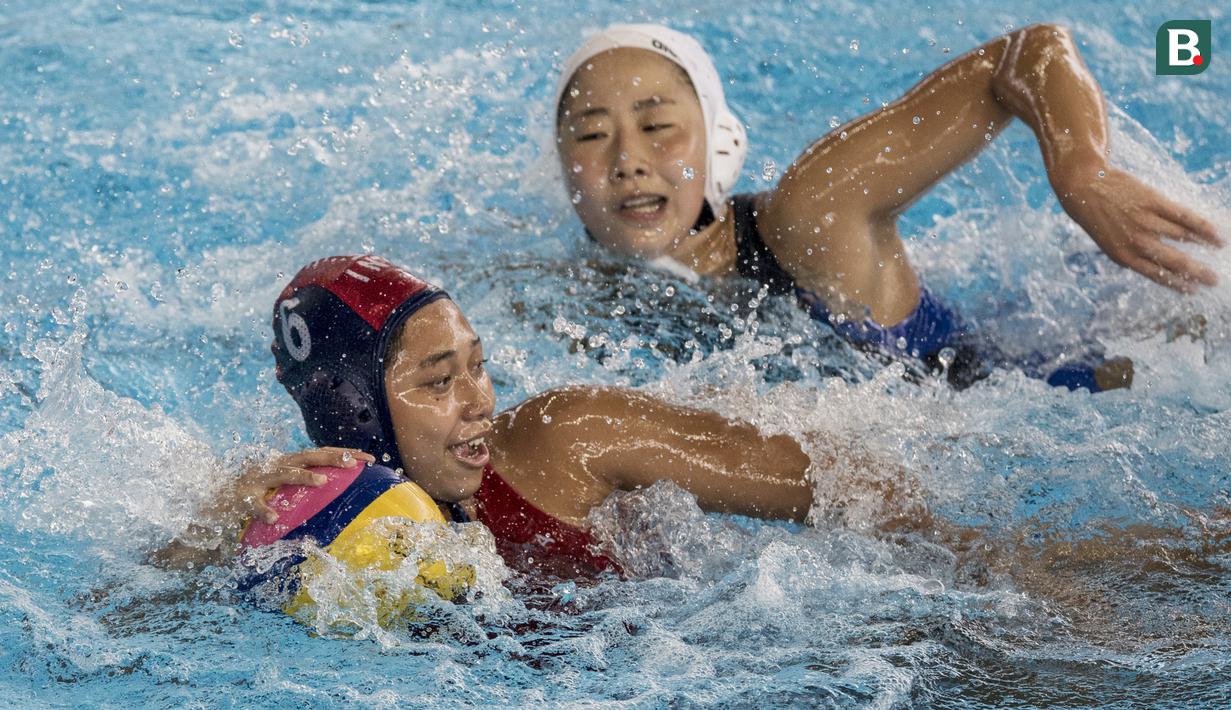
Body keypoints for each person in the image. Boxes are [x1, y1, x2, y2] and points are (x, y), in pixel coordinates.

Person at [553, 23, 1223, 390]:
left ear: (719, 137)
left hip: (1041, 397)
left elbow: (1026, 53)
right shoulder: (579, 291)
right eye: (589, 134)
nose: (627, 159)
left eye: (657, 125)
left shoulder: (806, 216)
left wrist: (1082, 169)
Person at [158, 254, 897, 578]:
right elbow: (110, 635)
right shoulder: (307, 527)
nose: (481, 398)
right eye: (438, 380)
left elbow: (846, 484)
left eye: (476, 364)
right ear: (356, 415)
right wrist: (213, 535)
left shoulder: (566, 440)